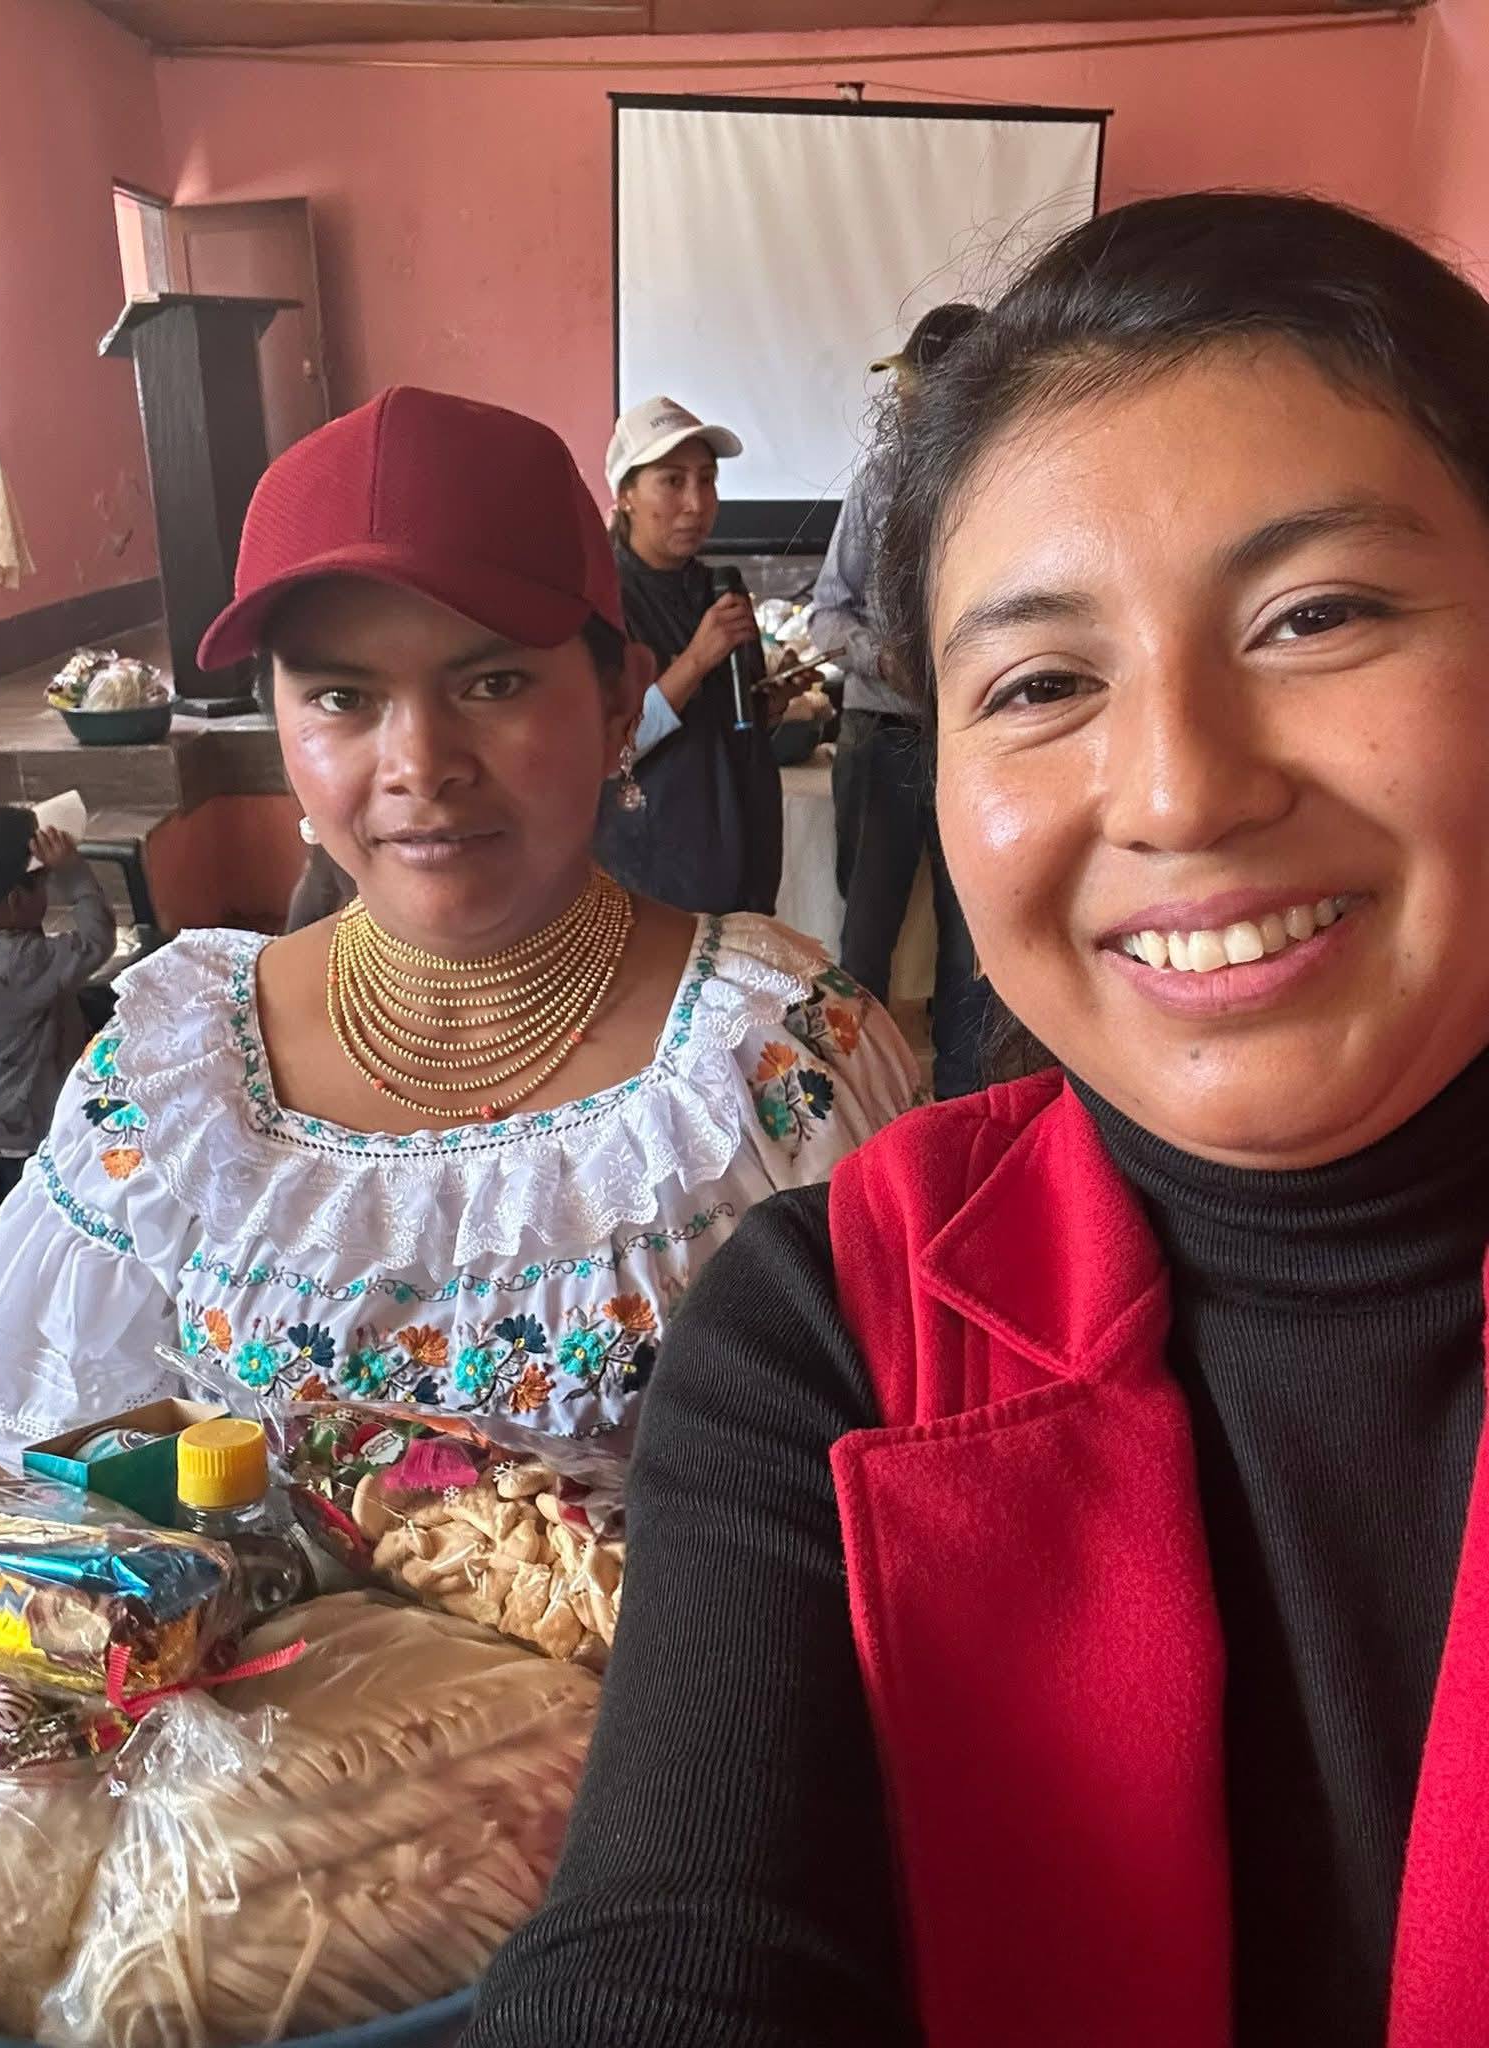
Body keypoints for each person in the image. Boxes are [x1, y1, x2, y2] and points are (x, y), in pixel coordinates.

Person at [468, 193, 1489, 2048]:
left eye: (1317, 615)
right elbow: (671, 1946)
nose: (1179, 791)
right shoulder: (836, 1337)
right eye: (1041, 683)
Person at [0, 386, 916, 1459]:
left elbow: (911, 1465)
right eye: (341, 698)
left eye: (493, 682)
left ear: (618, 702)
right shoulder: (169, 1081)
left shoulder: (782, 1058)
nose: (419, 765)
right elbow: (33, 1479)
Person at [814, 303, 990, 1098]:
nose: (905, 403)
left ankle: (963, 1104)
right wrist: (889, 660)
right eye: (906, 389)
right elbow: (827, 613)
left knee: (974, 939)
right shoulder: (880, 482)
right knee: (866, 937)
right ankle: (859, 1102)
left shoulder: (1000, 481)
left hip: (973, 739)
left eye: (917, 388)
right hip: (880, 731)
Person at [595, 397, 785, 915]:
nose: (696, 504)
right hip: (655, 872)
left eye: (707, 480)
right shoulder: (601, 601)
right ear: (626, 494)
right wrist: (696, 661)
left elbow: (729, 720)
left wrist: (767, 704)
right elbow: (608, 750)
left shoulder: (719, 587)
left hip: (742, 855)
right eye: (672, 481)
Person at [0, 810, 115, 1212]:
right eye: (42, 883)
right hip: (42, 1130)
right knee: (68, 1217)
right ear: (15, 901)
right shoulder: (14, 963)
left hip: (14, 1129)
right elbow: (96, 940)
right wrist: (73, 874)